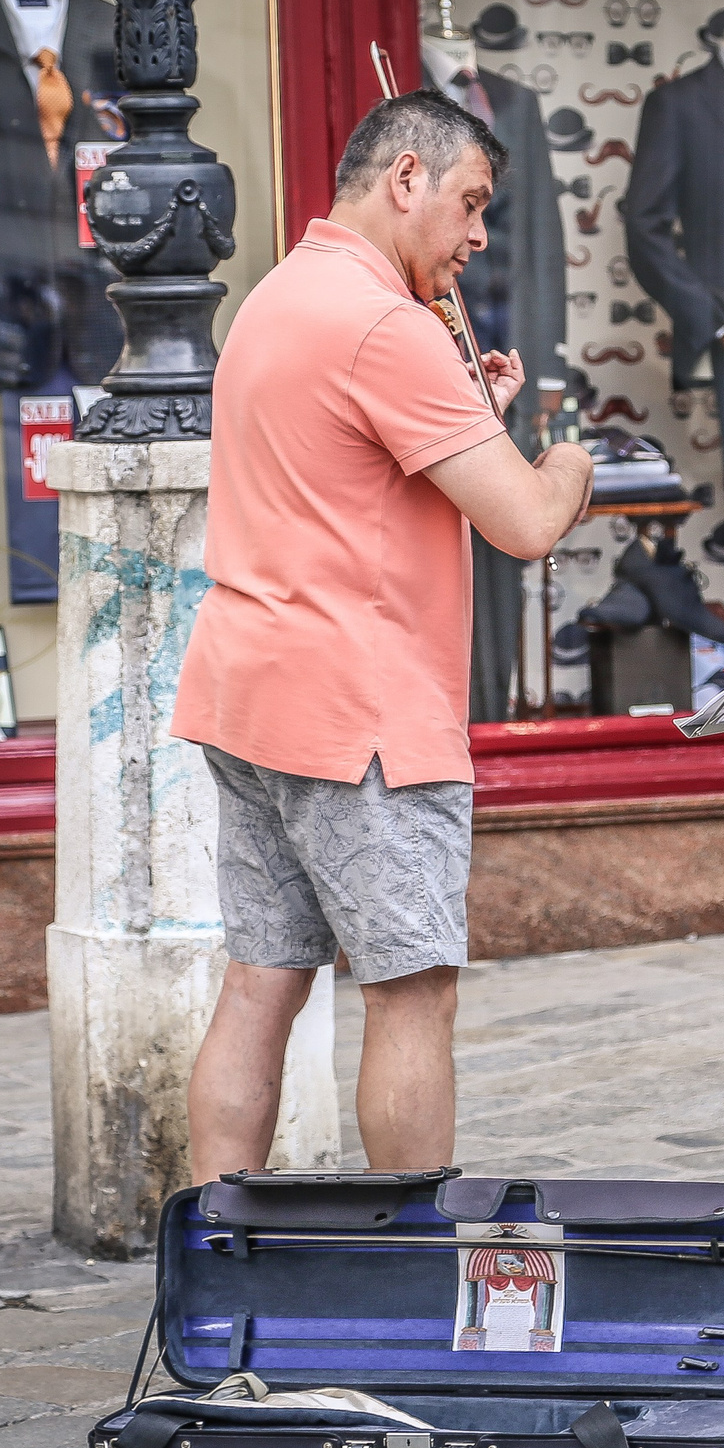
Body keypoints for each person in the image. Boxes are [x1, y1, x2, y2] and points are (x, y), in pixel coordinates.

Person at [170, 91, 594, 1183]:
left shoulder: (278, 294)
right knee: (412, 992)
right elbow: (526, 522)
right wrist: (568, 462)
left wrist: (470, 415)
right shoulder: (388, 326)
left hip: (249, 690)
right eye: (471, 203)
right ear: (406, 178)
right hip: (360, 712)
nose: (477, 235)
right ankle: (411, 1256)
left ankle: (209, 1246)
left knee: (261, 981)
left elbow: (353, 469)